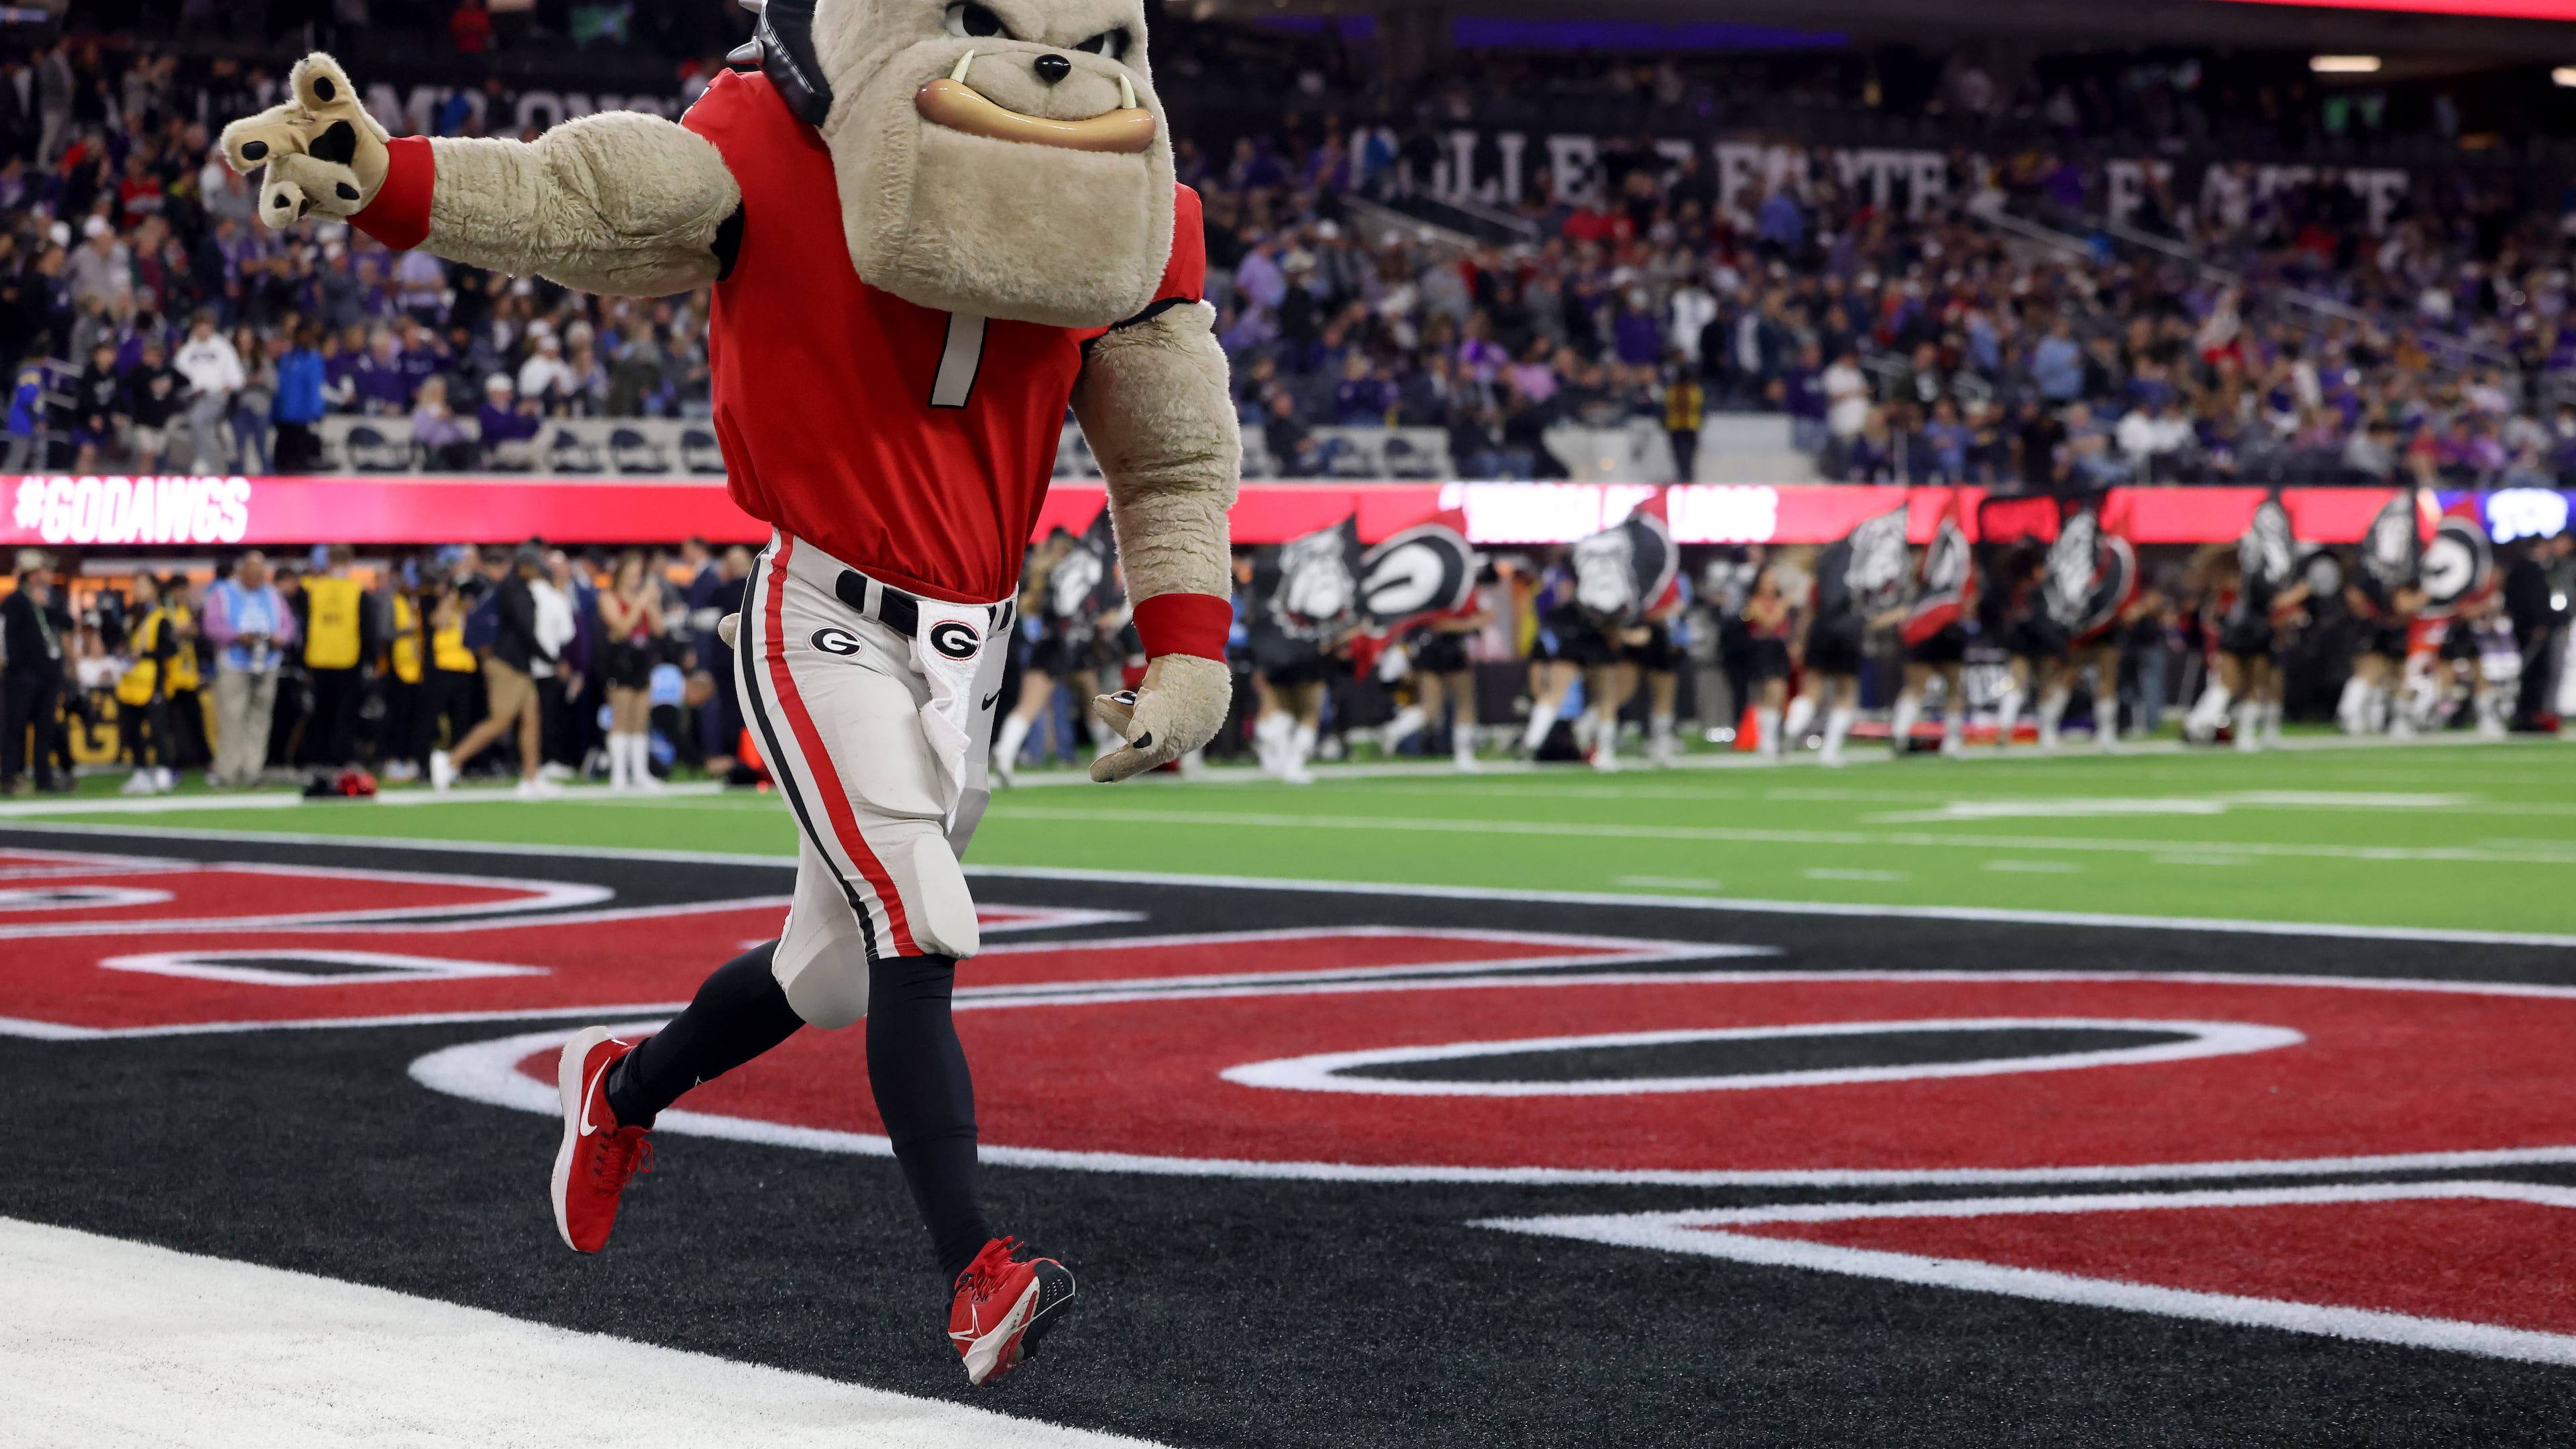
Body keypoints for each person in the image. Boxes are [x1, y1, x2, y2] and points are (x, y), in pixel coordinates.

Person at [226, 37, 1239, 1386]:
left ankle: (621, 1091)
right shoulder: (779, 132)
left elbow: (1168, 441)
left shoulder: (1125, 187)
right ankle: (978, 1279)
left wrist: (1185, 640)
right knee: (918, 919)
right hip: (822, 602)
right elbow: (573, 203)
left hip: (973, 648)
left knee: (828, 977)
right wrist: (392, 178)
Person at [431, 545, 553, 797]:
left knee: (531, 718)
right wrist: (547, 656)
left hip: (518, 662)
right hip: (508, 664)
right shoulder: (513, 591)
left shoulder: (512, 589)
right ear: (523, 567)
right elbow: (523, 629)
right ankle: (451, 761)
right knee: (501, 720)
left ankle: (531, 776)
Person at [203, 550, 298, 789]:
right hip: (235, 662)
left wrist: (279, 638)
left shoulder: (273, 594)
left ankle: (253, 770)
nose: (256, 578)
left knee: (260, 719)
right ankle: (228, 771)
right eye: (251, 573)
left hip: (267, 662)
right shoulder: (224, 593)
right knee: (231, 716)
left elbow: (289, 626)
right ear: (241, 572)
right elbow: (212, 625)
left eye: (260, 573)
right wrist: (237, 636)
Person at [115, 572, 193, 794]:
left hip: (153, 681)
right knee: (132, 728)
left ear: (154, 589)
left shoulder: (161, 617)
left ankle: (163, 771)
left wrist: (146, 654)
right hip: (131, 682)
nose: (137, 590)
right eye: (135, 585)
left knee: (158, 730)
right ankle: (140, 771)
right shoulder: (132, 616)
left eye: (142, 585)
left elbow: (170, 651)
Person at [1, 549, 71, 794]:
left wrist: (50, 608)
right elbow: (7, 639)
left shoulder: (50, 600)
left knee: (46, 727)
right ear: (32, 574)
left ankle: (44, 779)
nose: (50, 575)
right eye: (45, 570)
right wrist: (19, 670)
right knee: (15, 728)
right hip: (23, 676)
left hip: (48, 675)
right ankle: (9, 777)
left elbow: (68, 623)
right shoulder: (15, 601)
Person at [299, 545, 373, 773]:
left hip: (319, 659)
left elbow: (303, 626)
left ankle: (320, 759)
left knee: (322, 713)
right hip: (347, 659)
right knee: (345, 715)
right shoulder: (357, 590)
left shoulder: (313, 588)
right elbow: (367, 628)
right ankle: (339, 760)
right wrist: (369, 661)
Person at [596, 549, 666, 791]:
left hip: (642, 660)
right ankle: (619, 774)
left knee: (640, 719)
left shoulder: (643, 599)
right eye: (631, 574)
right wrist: (639, 603)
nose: (635, 579)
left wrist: (653, 603)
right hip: (619, 660)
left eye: (639, 575)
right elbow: (621, 628)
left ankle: (639, 773)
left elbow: (659, 629)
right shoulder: (609, 597)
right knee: (622, 717)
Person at [172, 308, 246, 474]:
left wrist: (227, 386)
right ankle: (221, 450)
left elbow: (238, 378)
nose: (203, 330)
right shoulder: (186, 351)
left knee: (198, 418)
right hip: (192, 397)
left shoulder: (222, 347)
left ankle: (204, 461)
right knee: (202, 426)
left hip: (216, 396)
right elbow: (177, 376)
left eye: (207, 325)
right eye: (200, 326)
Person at [1740, 564, 1795, 760]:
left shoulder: (1778, 602)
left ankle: (1770, 740)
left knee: (1778, 696)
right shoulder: (1755, 602)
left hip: (1778, 649)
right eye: (1768, 582)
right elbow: (1769, 624)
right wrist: (1783, 604)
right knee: (1769, 694)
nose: (1772, 586)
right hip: (1763, 649)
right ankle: (1766, 741)